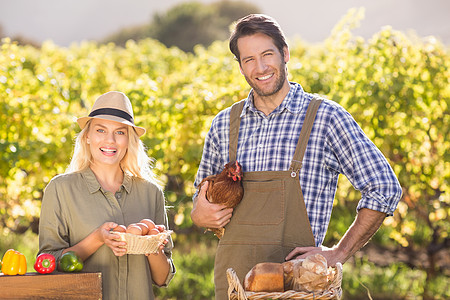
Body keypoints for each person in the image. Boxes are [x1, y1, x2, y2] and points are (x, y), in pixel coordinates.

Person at [190, 14, 402, 299]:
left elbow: (384, 187)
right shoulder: (224, 123)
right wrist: (199, 213)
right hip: (234, 288)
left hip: (300, 288)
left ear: (285, 53)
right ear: (240, 66)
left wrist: (339, 252)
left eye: (267, 54)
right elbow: (200, 199)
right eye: (249, 59)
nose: (260, 67)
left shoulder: (325, 117)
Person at [38, 91, 175, 300]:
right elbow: (48, 264)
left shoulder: (151, 193)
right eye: (101, 130)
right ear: (87, 136)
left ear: (129, 139)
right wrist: (98, 238)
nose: (110, 140)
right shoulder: (61, 189)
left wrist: (149, 245)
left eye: (120, 132)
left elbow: (162, 278)